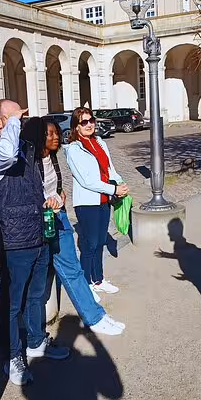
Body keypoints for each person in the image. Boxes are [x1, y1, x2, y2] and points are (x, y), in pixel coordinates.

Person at [0, 99, 70, 386]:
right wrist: (16, 122)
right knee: (11, 303)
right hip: (13, 242)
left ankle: (36, 342)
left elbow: (35, 190)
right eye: (15, 116)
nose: (22, 119)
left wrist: (50, 200)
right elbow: (6, 153)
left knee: (36, 295)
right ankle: (11, 356)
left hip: (38, 235)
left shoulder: (28, 151)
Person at [20, 116, 126, 336]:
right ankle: (34, 339)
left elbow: (55, 185)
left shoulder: (52, 158)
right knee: (38, 284)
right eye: (49, 134)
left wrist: (59, 194)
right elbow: (21, 198)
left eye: (56, 132)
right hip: (38, 226)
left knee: (74, 270)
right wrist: (43, 204)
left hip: (59, 218)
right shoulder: (27, 163)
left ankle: (95, 317)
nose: (55, 137)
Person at [65, 107, 128, 297]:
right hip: (87, 202)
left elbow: (109, 168)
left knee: (100, 241)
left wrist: (120, 182)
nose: (89, 124)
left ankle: (98, 279)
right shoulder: (73, 149)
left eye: (91, 120)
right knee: (89, 244)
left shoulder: (99, 142)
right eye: (83, 122)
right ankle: (86, 285)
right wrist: (113, 189)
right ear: (76, 127)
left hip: (103, 200)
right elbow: (86, 180)